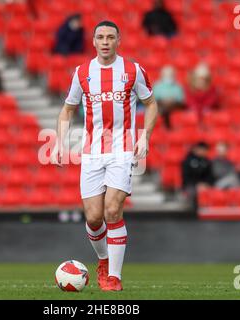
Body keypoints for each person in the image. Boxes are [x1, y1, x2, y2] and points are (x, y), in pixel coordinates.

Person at [53, 21, 158, 291]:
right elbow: (67, 109)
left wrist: (144, 135)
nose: (105, 41)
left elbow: (151, 104)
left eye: (110, 37)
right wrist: (58, 142)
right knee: (93, 218)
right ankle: (102, 260)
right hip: (91, 153)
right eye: (100, 37)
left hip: (122, 150)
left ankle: (114, 277)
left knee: (113, 210)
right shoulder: (82, 72)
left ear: (118, 40)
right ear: (93, 41)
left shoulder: (133, 70)